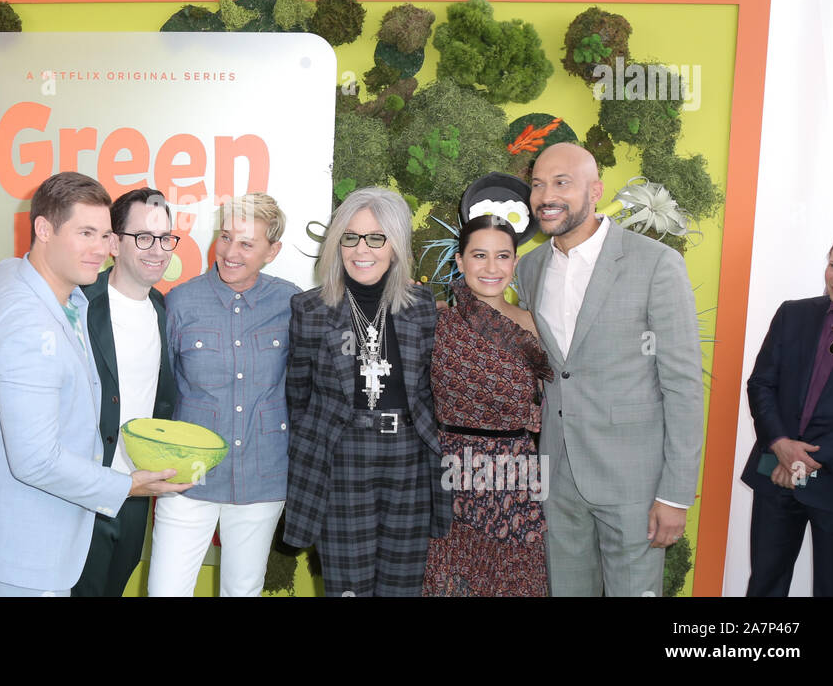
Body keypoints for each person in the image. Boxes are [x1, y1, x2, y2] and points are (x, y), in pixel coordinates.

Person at [0, 172, 187, 596]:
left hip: (60, 523)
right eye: (86, 233)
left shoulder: (38, 285)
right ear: (43, 229)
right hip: (28, 542)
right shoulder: (30, 321)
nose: (100, 248)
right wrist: (129, 485)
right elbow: (37, 461)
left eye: (104, 235)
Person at [515, 142, 704, 597]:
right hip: (557, 476)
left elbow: (682, 388)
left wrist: (674, 495)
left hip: (632, 482)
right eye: (538, 185)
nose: (546, 196)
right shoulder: (530, 268)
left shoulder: (656, 264)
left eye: (562, 183)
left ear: (596, 190)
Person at [283, 186, 448, 596]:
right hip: (341, 460)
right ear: (336, 244)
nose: (362, 249)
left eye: (377, 238)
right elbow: (297, 397)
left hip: (409, 459)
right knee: (346, 588)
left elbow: (433, 389)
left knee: (402, 587)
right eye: (350, 237)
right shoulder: (311, 309)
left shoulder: (424, 305)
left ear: (396, 246)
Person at [146, 192, 300, 597]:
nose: (231, 252)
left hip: (262, 477)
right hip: (187, 477)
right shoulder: (179, 302)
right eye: (226, 237)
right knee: (165, 591)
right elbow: (152, 384)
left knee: (242, 591)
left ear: (272, 251)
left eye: (247, 243)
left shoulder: (293, 303)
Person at [422, 215, 553, 596]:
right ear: (460, 261)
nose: (492, 268)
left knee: (513, 584)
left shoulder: (534, 326)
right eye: (479, 255)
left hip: (515, 476)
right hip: (450, 474)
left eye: (503, 256)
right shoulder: (434, 320)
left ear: (515, 262)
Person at [741, 229, 833, 596]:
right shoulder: (794, 314)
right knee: (764, 585)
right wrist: (782, 446)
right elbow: (761, 384)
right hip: (776, 473)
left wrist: (802, 462)